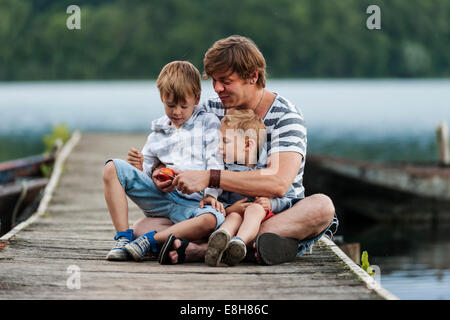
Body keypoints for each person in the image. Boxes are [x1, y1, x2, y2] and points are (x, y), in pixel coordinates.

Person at [131, 35, 338, 265]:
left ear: (253, 76)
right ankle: (254, 245)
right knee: (142, 227)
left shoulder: (286, 117)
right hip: (219, 214)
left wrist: (211, 177)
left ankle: (204, 249)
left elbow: (278, 183)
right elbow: (171, 147)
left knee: (322, 207)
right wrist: (161, 172)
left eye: (226, 81)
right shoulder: (210, 111)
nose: (218, 88)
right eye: (214, 80)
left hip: (271, 212)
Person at [103, 60, 226, 262]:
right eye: (170, 105)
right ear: (161, 98)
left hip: (193, 206)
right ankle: (123, 238)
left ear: (197, 98)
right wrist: (141, 166)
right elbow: (147, 175)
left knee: (212, 219)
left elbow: (215, 160)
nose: (177, 112)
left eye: (183, 106)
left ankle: (150, 240)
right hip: (163, 200)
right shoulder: (157, 133)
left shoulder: (207, 122)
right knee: (111, 168)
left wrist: (211, 194)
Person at [204, 108, 298, 267]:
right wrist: (230, 208)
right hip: (235, 216)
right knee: (233, 217)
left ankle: (239, 243)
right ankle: (220, 240)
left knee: (255, 210)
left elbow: (289, 198)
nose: (219, 147)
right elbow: (220, 200)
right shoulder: (225, 171)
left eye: (225, 141)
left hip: (263, 218)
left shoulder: (267, 170)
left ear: (248, 144)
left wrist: (272, 204)